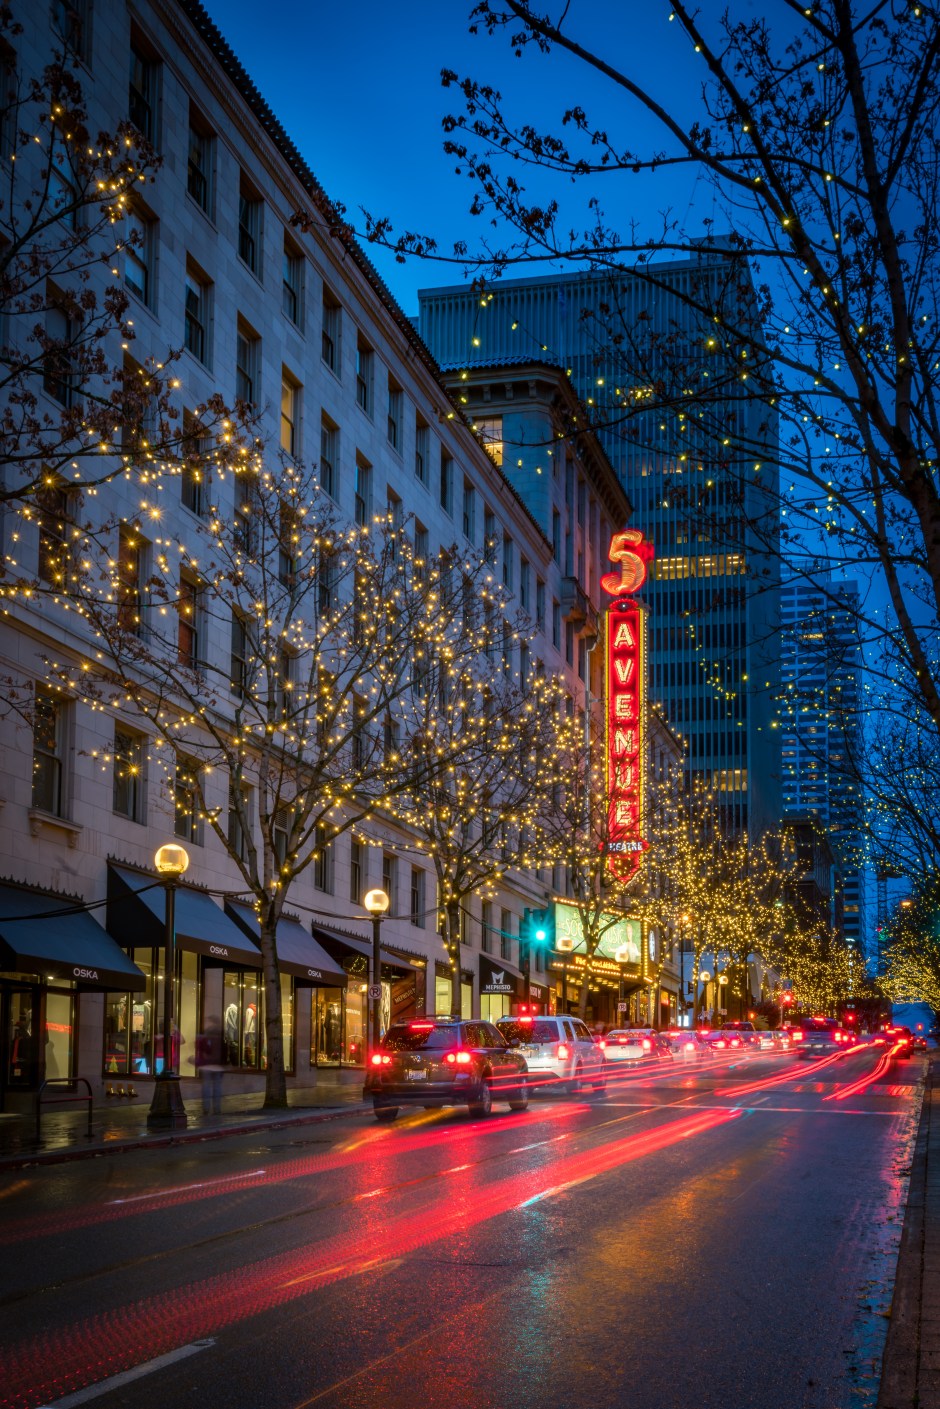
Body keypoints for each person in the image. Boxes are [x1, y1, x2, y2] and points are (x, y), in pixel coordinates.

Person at [195, 1014, 225, 1115]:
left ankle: (206, 1108)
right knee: (216, 1087)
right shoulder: (221, 1035)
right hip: (217, 1065)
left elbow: (200, 1048)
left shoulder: (205, 1034)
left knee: (206, 1087)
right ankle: (217, 1108)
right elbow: (225, 1051)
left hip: (206, 1065)